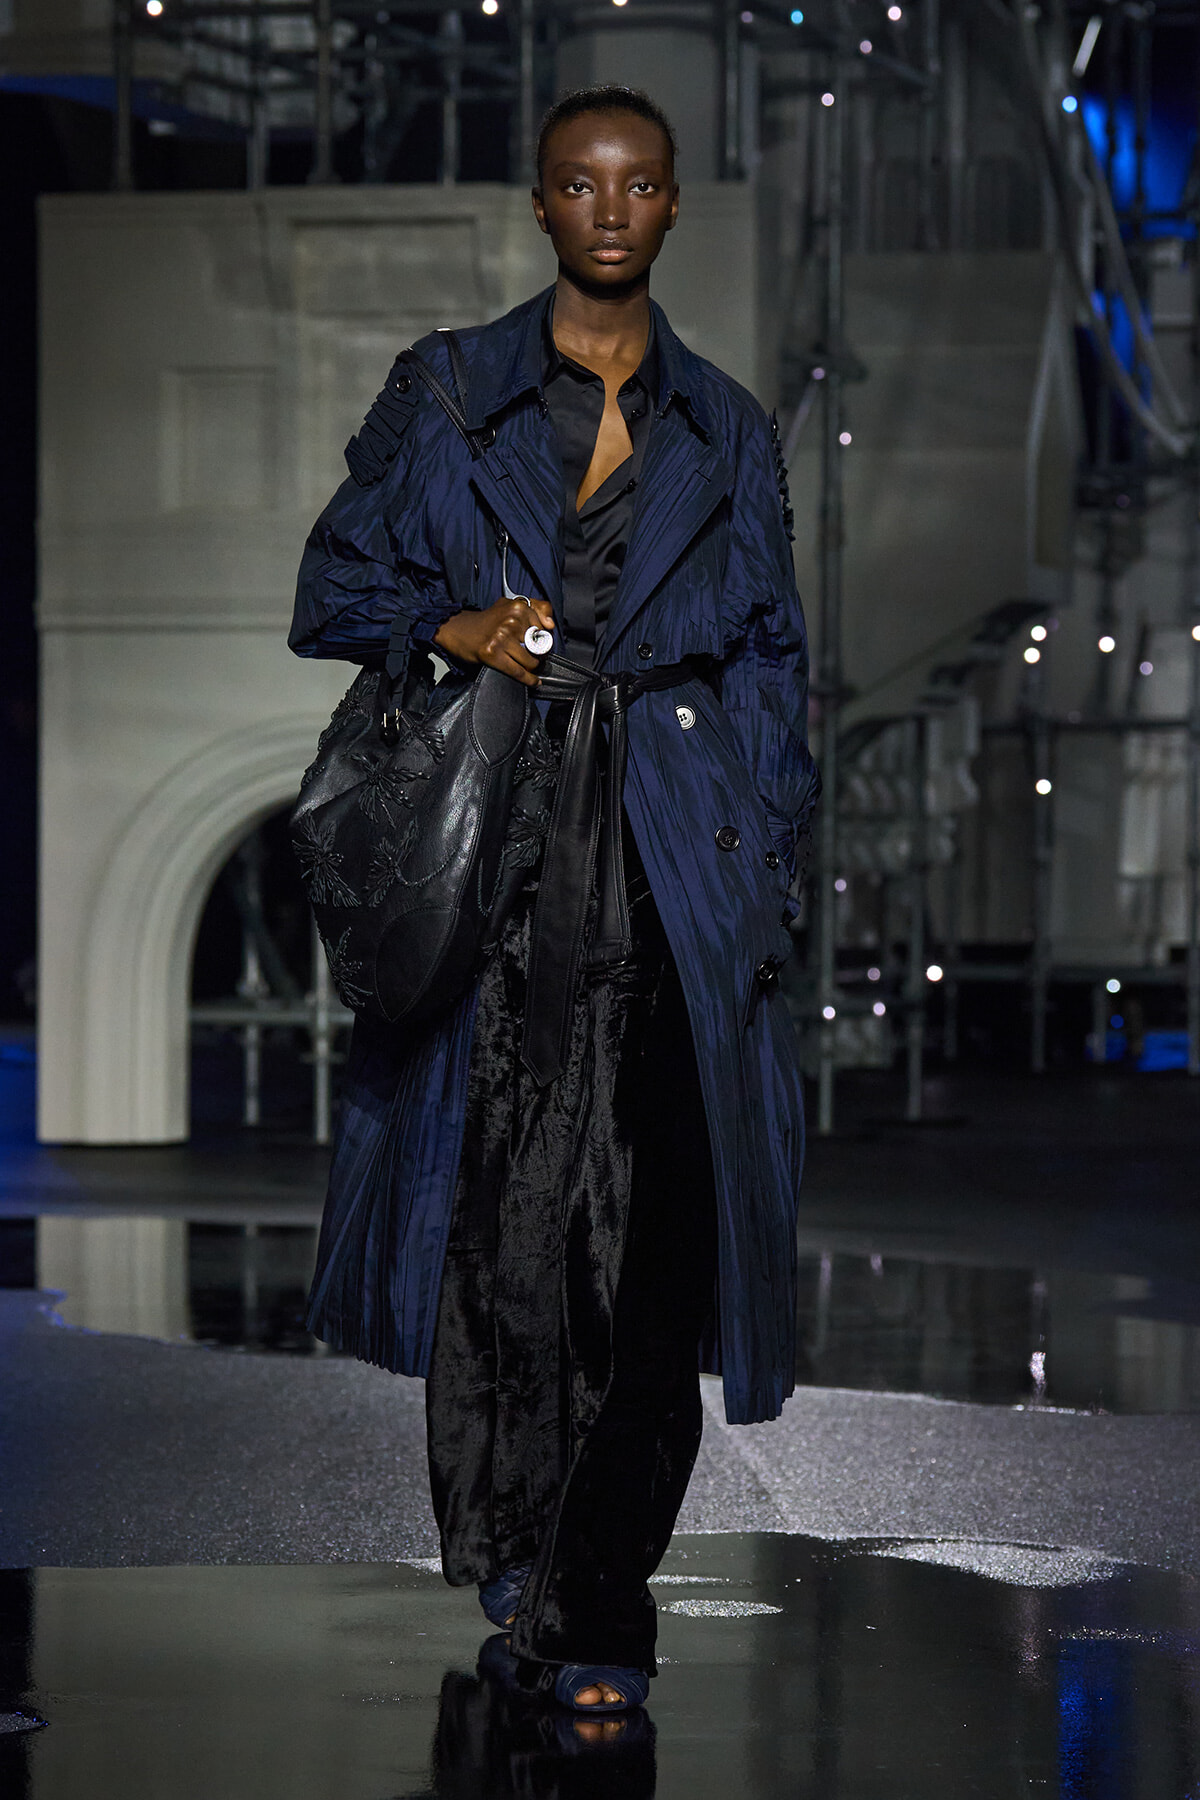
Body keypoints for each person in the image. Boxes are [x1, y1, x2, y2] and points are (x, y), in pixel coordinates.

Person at [289, 84, 818, 1715]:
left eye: (637, 184)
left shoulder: (727, 428)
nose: (609, 209)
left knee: (658, 1246)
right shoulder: (448, 391)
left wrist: (768, 862)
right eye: (580, 185)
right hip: (505, 855)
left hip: (675, 858)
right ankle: (519, 1559)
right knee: (502, 1236)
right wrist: (457, 629)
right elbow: (333, 588)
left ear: (672, 206)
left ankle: (599, 1606)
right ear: (540, 205)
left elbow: (776, 662)